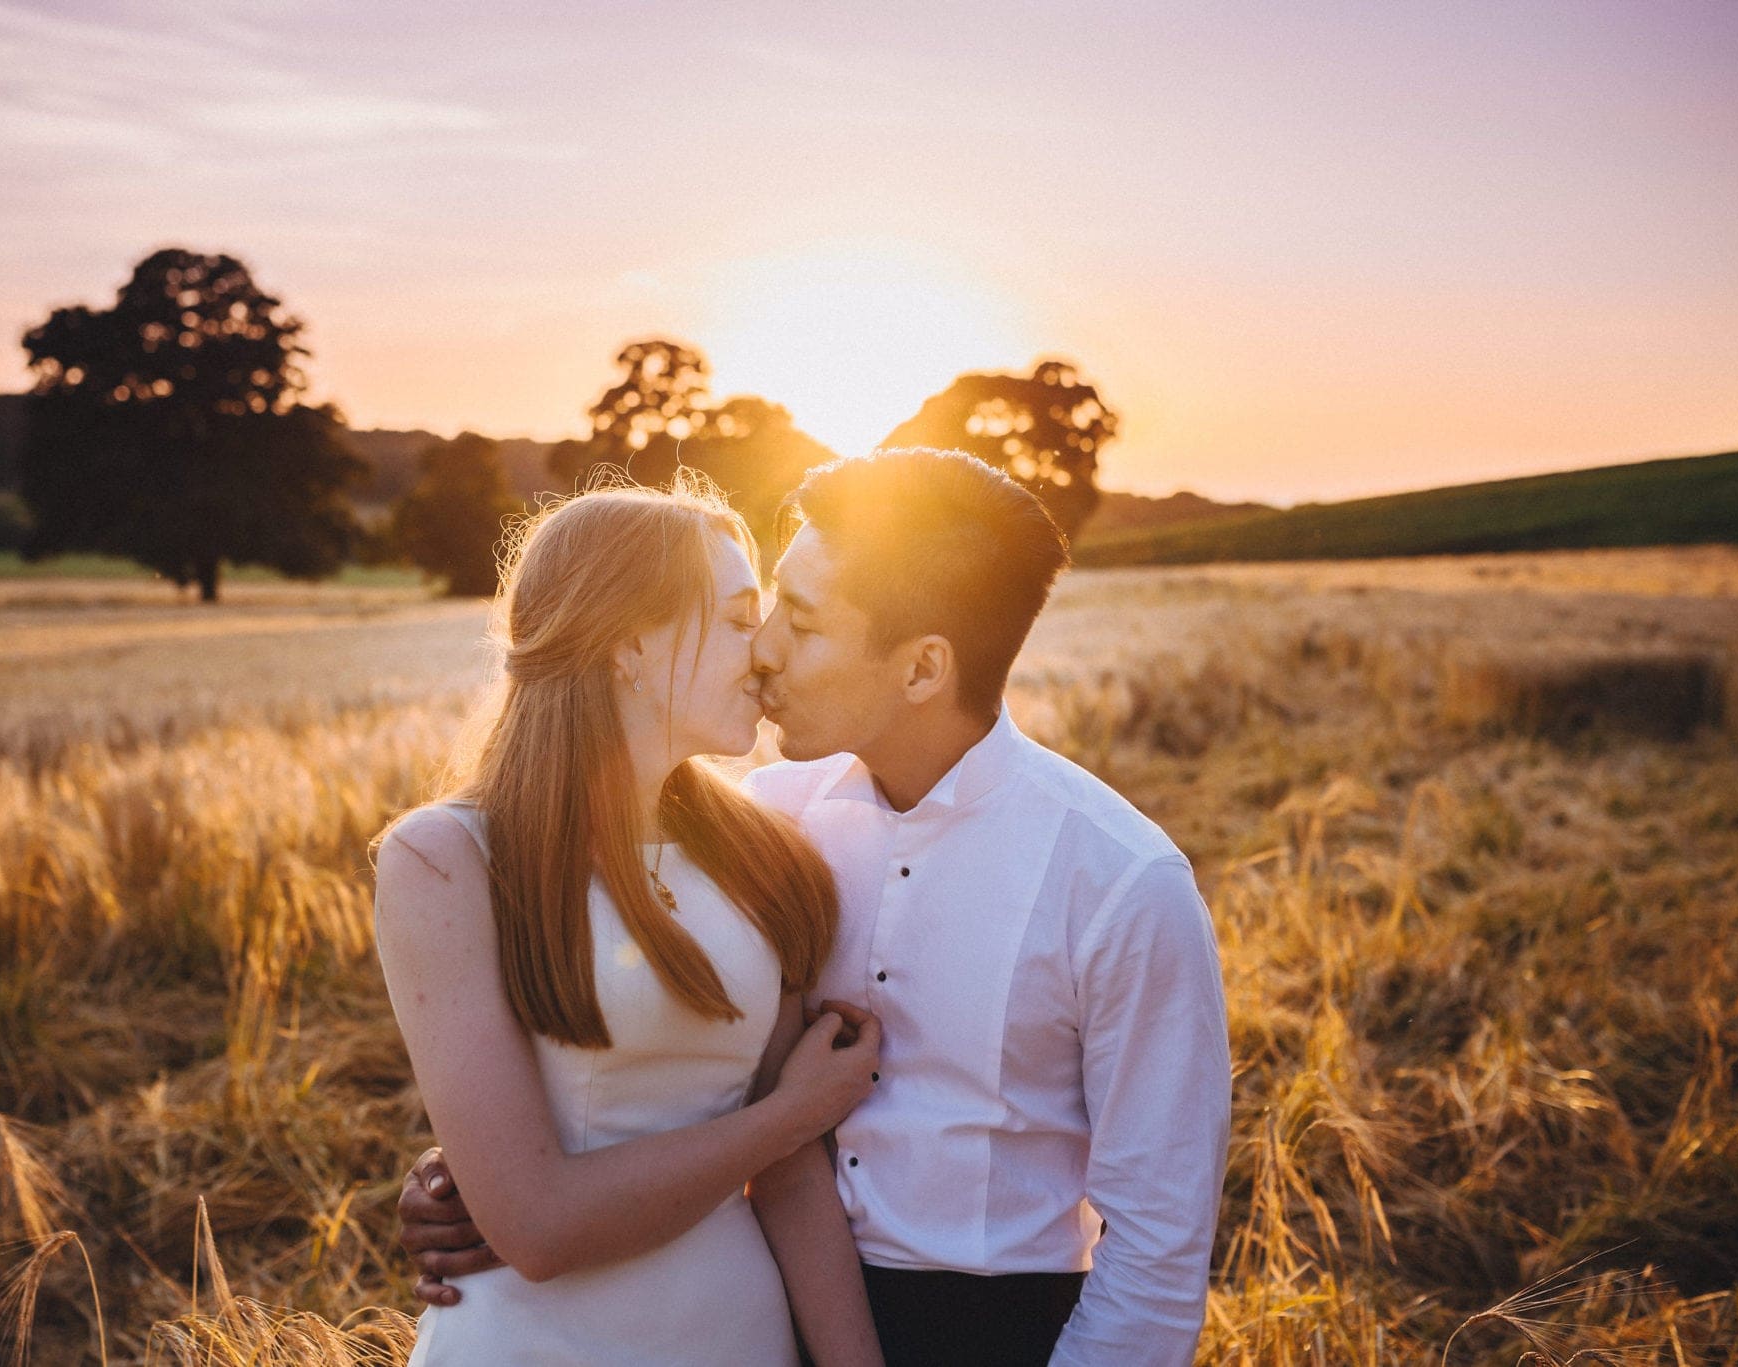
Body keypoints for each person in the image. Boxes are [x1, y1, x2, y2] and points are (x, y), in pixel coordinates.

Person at [403, 448, 1234, 1366]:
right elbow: (666, 1084)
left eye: (796, 620)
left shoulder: (1120, 882)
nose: (763, 652)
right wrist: (470, 1178)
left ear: (922, 669)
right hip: (775, 1301)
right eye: (755, 615)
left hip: (1005, 1331)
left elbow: (1158, 1246)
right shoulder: (767, 825)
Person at [371, 474, 888, 1366]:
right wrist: (789, 1115)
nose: (766, 651)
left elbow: (796, 1189)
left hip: (737, 1336)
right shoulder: (446, 859)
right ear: (627, 645)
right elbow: (536, 1226)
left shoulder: (771, 859)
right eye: (735, 618)